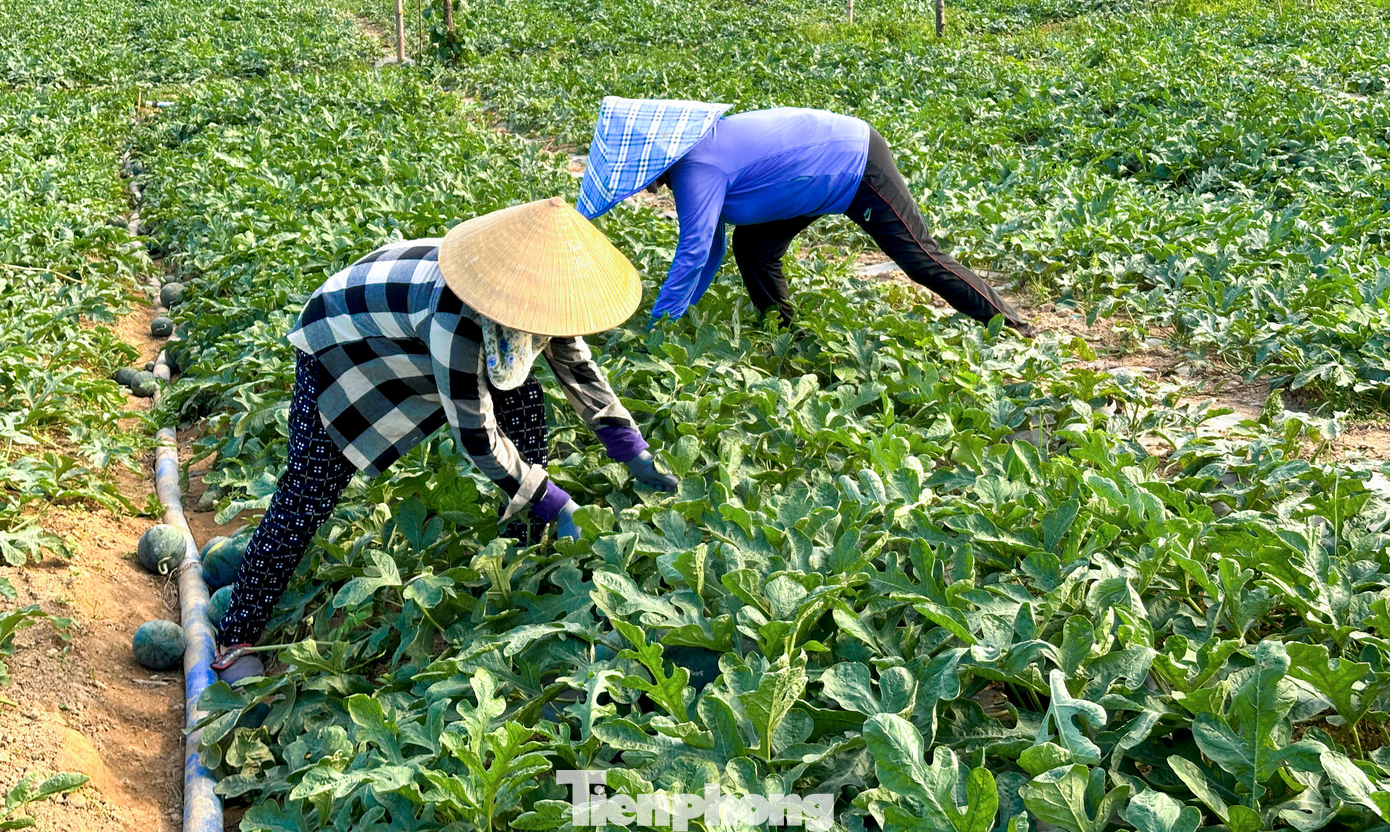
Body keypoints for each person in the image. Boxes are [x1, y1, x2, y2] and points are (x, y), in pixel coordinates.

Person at [210, 198, 678, 682]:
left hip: (402, 326)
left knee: (523, 400)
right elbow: (476, 435)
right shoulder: (455, 316)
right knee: (311, 487)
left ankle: (523, 543)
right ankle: (238, 631)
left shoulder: (541, 297)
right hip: (340, 339)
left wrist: (630, 448)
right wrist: (557, 502)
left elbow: (578, 368)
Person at [577, 97, 1033, 336]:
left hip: (854, 163)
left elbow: (694, 251)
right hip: (809, 178)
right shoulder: (693, 161)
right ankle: (786, 335)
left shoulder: (697, 169)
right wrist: (676, 312)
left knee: (920, 260)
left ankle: (1011, 324)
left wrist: (661, 321)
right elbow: (711, 248)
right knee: (752, 246)